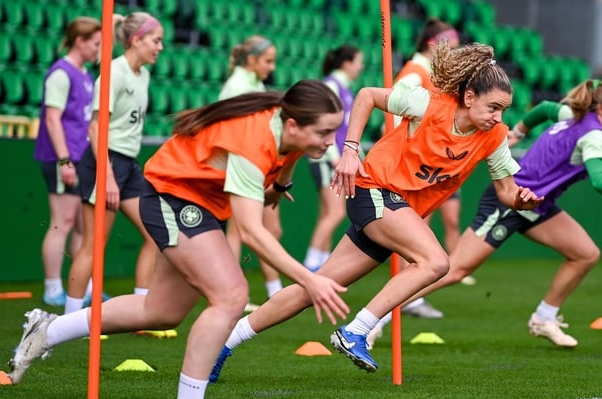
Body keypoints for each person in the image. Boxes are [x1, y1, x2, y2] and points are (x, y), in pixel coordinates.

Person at [6, 80, 349, 399]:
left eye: (334, 132)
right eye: (324, 132)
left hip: (198, 201)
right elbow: (251, 232)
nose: (330, 141)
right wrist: (310, 279)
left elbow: (289, 156)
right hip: (173, 197)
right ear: (292, 124)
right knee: (231, 296)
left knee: (161, 312)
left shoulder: (288, 131)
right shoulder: (252, 141)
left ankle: (48, 330)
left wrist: (278, 187)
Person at [210, 42, 542, 380]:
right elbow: (368, 95)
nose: (499, 117)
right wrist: (351, 152)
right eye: (493, 107)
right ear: (469, 97)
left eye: (503, 110)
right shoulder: (427, 104)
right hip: (374, 191)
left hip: (395, 210)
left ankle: (223, 342)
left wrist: (521, 200)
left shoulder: (494, 136)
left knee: (313, 289)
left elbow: (506, 191)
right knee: (436, 262)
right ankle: (357, 330)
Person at [368, 78, 602, 350]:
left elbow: (544, 107)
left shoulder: (571, 114)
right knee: (454, 269)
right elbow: (599, 180)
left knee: (585, 253)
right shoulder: (595, 135)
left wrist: (518, 130)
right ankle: (376, 317)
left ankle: (544, 318)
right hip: (511, 199)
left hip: (537, 204)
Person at [64, 13, 162, 337]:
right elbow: (95, 127)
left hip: (129, 163)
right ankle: (66, 322)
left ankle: (142, 313)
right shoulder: (114, 72)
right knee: (94, 247)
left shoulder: (143, 74)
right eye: (155, 40)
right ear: (136, 40)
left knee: (155, 236)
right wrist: (106, 176)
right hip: (103, 161)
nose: (160, 47)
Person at [391, 18, 468, 321]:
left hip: (426, 164)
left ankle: (406, 297)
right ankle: (403, 299)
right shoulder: (415, 72)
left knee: (417, 230)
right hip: (412, 164)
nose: (457, 50)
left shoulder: (429, 73)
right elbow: (394, 110)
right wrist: (408, 149)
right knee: (410, 232)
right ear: (434, 44)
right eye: (452, 44)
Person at [35, 17, 101, 307]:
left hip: (80, 156)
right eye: (96, 43)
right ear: (80, 41)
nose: (100, 49)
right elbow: (52, 118)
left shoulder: (85, 74)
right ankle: (52, 287)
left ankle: (81, 288)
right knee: (62, 221)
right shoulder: (61, 74)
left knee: (82, 227)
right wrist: (64, 160)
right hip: (63, 157)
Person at [219, 35, 282, 310]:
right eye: (268, 61)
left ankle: (273, 291)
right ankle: (235, 293)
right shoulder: (237, 86)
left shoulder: (254, 83)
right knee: (238, 231)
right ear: (252, 60)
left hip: (256, 163)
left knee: (266, 228)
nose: (272, 67)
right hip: (240, 164)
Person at [302, 45, 363, 272]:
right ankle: (310, 265)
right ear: (346, 63)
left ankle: (321, 262)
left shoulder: (344, 88)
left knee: (328, 212)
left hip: (331, 157)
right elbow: (322, 125)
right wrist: (334, 157)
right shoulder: (331, 86)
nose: (361, 66)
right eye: (358, 61)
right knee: (336, 212)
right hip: (327, 158)